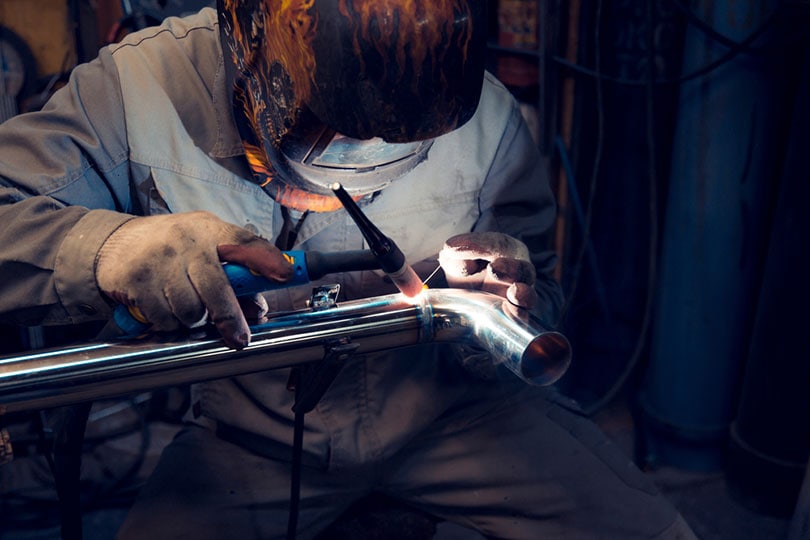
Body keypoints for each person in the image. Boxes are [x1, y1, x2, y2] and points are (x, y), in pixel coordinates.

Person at [0, 2, 696, 539]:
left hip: (456, 415)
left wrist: (517, 291)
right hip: (254, 438)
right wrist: (107, 249)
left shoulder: (486, 114)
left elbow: (543, 286)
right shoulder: (138, 89)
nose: (354, 188)